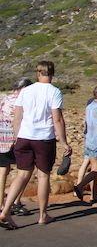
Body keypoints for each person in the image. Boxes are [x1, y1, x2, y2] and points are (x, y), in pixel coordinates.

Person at [0, 61, 71, 230]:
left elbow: (17, 116)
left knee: (22, 174)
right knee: (43, 176)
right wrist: (63, 141)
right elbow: (57, 119)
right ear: (52, 73)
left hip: (24, 136)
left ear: (38, 73)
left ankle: (5, 210)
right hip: (43, 137)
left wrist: (17, 136)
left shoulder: (25, 91)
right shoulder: (54, 92)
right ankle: (42, 215)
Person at [0, 78, 33, 218]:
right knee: (25, 170)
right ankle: (16, 201)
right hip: (17, 138)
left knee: (2, 171)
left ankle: (1, 203)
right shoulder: (22, 101)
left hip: (2, 138)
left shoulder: (3, 98)